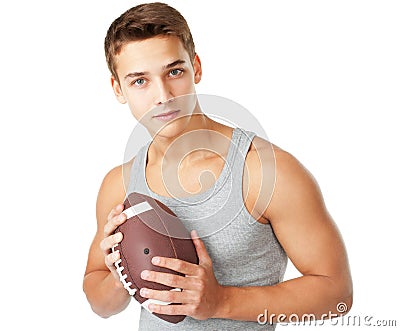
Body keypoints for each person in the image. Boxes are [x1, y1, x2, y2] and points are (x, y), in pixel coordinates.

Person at [83, 2, 353, 330]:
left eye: (174, 72)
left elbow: (337, 292)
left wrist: (221, 300)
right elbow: (100, 303)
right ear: (118, 89)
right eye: (140, 81)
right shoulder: (120, 183)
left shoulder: (266, 171)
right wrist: (119, 276)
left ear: (195, 68)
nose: (163, 95)